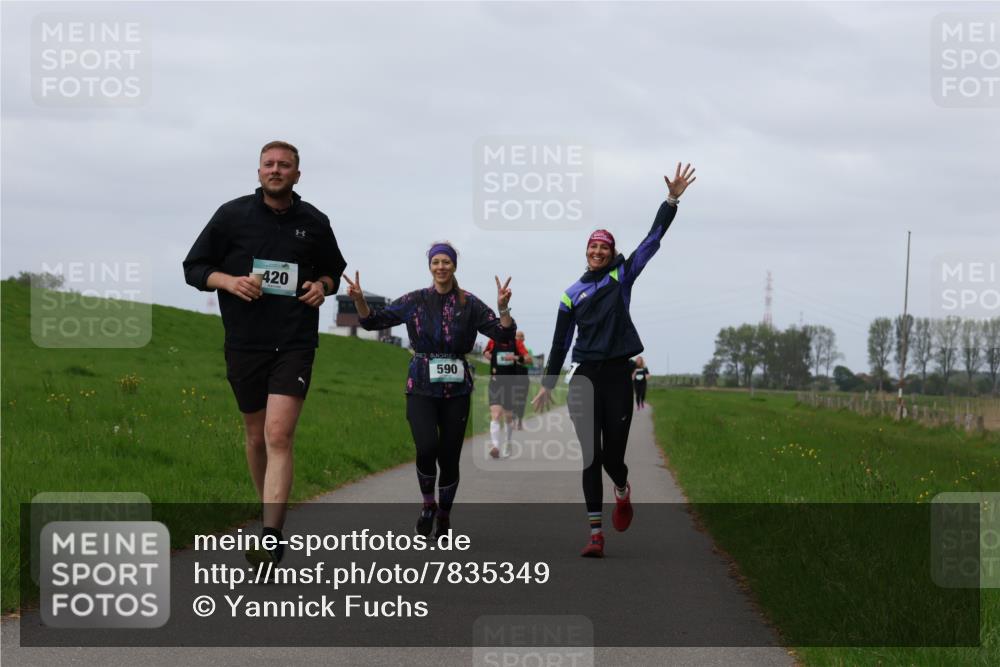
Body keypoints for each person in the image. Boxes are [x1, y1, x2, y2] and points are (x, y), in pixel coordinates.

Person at [183, 140, 347, 564]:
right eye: (269, 164)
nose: (276, 170)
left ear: (297, 174)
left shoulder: (314, 222)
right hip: (245, 341)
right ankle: (268, 509)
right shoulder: (232, 215)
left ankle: (271, 539)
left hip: (294, 341)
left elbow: (333, 271)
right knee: (256, 437)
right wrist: (228, 281)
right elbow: (194, 268)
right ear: (258, 172)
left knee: (278, 434)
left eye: (285, 165)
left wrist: (321, 287)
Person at [533, 163, 696, 558]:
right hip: (584, 377)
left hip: (618, 377)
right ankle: (595, 534)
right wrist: (547, 385)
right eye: (593, 246)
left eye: (604, 246)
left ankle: (622, 490)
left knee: (612, 458)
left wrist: (671, 200)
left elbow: (651, 241)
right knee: (591, 456)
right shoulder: (571, 294)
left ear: (611, 252)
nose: (598, 251)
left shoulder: (622, 276)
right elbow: (559, 343)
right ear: (586, 251)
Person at [343, 243, 515, 539]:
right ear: (430, 267)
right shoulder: (415, 300)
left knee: (449, 457)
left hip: (457, 391)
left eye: (446, 261)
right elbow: (373, 322)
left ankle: (445, 517)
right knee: (425, 448)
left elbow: (504, 336)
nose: (441, 267)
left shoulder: (469, 303)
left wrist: (502, 308)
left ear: (454, 266)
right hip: (421, 385)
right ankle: (428, 505)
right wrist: (359, 300)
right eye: (435, 261)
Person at [483, 332, 531, 457]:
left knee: (508, 417)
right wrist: (491, 356)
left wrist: (515, 358)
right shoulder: (493, 341)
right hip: (495, 382)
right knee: (496, 413)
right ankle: (495, 446)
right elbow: (486, 352)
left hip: (510, 384)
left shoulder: (516, 344)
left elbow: (528, 359)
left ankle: (508, 443)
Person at [512, 331, 534, 430]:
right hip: (512, 376)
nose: (519, 338)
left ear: (524, 339)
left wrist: (518, 359)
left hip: (523, 377)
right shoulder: (511, 348)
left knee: (521, 400)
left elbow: (530, 362)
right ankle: (512, 419)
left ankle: (519, 421)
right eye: (517, 336)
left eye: (521, 337)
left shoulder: (527, 349)